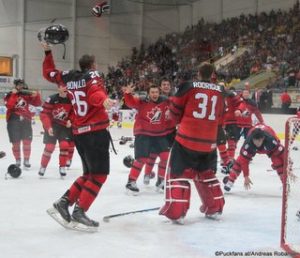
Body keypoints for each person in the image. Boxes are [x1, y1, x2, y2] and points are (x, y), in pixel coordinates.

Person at [41, 42, 115, 229]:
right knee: (99, 175)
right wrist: (104, 100)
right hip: (94, 133)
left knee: (89, 174)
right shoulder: (94, 75)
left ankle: (64, 202)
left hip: (79, 134)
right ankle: (80, 211)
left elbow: (49, 73)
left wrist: (48, 51)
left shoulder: (68, 77)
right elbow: (94, 93)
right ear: (93, 65)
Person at [159, 62, 226, 222]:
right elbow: (221, 116)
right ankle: (214, 208)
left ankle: (177, 212)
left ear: (198, 73)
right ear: (212, 75)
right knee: (206, 174)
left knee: (177, 173)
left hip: (187, 139)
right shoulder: (221, 91)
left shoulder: (188, 86)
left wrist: (176, 120)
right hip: (209, 141)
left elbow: (175, 109)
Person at [123, 83, 173, 193]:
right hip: (144, 133)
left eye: (156, 92)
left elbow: (177, 106)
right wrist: (127, 94)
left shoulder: (166, 101)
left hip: (160, 134)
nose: (154, 94)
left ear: (159, 92)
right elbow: (130, 102)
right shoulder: (142, 101)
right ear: (148, 93)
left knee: (166, 157)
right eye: (152, 92)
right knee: (141, 159)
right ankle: (131, 182)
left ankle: (160, 180)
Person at [223, 124, 284, 192]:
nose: (256, 143)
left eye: (258, 141)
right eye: (254, 140)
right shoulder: (248, 143)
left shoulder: (271, 141)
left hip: (269, 141)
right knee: (239, 161)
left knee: (278, 162)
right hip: (255, 145)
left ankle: (285, 183)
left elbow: (283, 154)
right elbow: (244, 161)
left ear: (263, 138)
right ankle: (230, 181)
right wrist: (246, 176)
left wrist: (288, 167)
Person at [144, 78, 175, 185]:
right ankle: (147, 174)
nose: (166, 86)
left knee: (166, 156)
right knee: (153, 154)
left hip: (171, 132)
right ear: (160, 87)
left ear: (170, 87)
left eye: (168, 84)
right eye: (164, 84)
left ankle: (161, 178)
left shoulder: (173, 98)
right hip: (158, 131)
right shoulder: (156, 99)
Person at [38, 85, 75, 177]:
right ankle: (43, 166)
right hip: (52, 126)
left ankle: (62, 167)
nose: (65, 88)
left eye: (67, 87)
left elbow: (74, 113)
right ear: (58, 88)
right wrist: (48, 127)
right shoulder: (51, 99)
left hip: (64, 127)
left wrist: (70, 120)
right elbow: (44, 114)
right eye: (63, 86)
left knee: (65, 145)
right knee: (49, 147)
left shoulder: (72, 100)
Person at [4, 79, 42, 167]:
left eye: (22, 84)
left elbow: (38, 103)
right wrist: (13, 94)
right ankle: (18, 160)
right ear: (15, 86)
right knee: (15, 142)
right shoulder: (10, 94)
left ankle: (26, 160)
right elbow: (9, 105)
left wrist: (37, 95)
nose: (21, 86)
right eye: (19, 85)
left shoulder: (27, 95)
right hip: (13, 120)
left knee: (27, 141)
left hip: (26, 120)